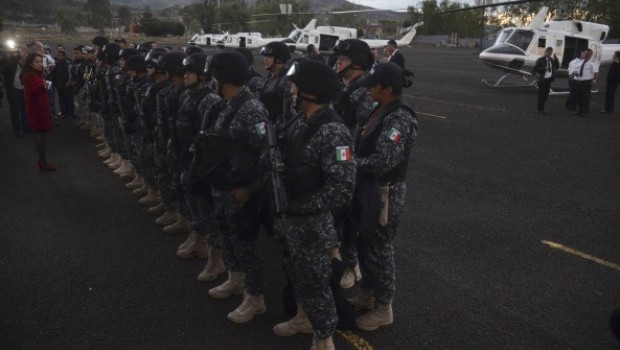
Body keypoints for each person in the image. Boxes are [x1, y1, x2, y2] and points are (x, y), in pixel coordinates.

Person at [272, 59, 356, 350]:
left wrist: (304, 204)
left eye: (297, 86)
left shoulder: (333, 132)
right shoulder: (301, 121)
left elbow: (342, 189)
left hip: (312, 226)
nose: (292, 90)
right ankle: (302, 319)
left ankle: (324, 339)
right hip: (291, 220)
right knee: (297, 278)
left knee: (317, 287)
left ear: (311, 92)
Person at [349, 62, 418, 331]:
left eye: (373, 86)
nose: (369, 90)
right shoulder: (381, 108)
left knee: (380, 249)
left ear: (387, 90)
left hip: (384, 192)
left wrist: (351, 164)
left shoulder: (400, 118)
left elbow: (383, 161)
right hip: (369, 188)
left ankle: (384, 308)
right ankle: (368, 294)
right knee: (365, 245)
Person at [204, 50, 270, 325]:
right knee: (229, 238)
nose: (212, 81)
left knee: (246, 245)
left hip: (241, 192)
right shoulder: (228, 104)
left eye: (215, 76)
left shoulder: (252, 109)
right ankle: (236, 279)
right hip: (223, 187)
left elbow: (267, 155)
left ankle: (255, 298)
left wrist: (250, 189)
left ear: (224, 78)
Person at [21, 52, 55, 171]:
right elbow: (32, 93)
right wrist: (43, 85)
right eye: (37, 62)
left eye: (41, 61)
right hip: (37, 109)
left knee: (41, 134)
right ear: (30, 63)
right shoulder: (30, 75)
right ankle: (43, 162)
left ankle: (42, 161)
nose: (40, 64)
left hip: (41, 108)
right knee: (39, 134)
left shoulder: (36, 73)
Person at [571, 48, 598, 117]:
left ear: (591, 55)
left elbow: (596, 72)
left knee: (585, 97)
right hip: (579, 81)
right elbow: (576, 69)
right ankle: (580, 111)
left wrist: (594, 80)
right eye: (586, 53)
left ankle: (585, 112)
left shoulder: (593, 62)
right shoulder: (581, 61)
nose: (586, 55)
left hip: (586, 82)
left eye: (588, 54)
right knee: (579, 97)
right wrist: (575, 73)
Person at [533, 47, 559, 115]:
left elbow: (557, 67)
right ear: (545, 52)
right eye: (548, 52)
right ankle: (540, 110)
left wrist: (556, 59)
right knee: (541, 95)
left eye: (550, 52)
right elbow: (535, 69)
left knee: (546, 95)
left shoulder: (552, 60)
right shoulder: (540, 60)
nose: (549, 53)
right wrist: (544, 68)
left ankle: (542, 108)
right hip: (542, 80)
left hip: (549, 80)